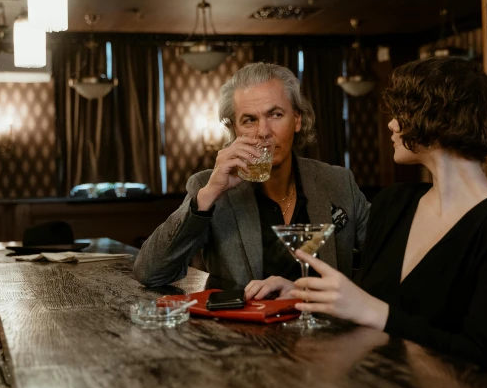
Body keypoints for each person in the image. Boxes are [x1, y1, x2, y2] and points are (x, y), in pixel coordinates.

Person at [257, 57, 487, 370]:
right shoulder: (393, 203)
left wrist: (376, 312)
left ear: (439, 118)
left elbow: (477, 357)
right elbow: (364, 305)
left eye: (402, 113)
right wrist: (309, 295)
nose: (391, 124)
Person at [134, 63, 371, 288]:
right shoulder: (208, 188)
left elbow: (390, 262)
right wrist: (208, 196)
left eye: (276, 115)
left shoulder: (339, 183)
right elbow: (150, 273)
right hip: (245, 330)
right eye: (249, 120)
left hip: (328, 329)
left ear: (297, 120)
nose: (263, 132)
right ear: (235, 129)